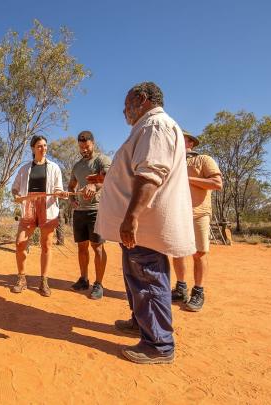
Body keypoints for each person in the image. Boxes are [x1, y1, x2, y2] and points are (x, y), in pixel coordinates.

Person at [94, 82, 195, 364]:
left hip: (144, 227)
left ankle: (159, 345)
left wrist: (131, 217)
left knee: (148, 279)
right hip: (139, 229)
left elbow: (150, 174)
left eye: (127, 103)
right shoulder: (147, 127)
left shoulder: (155, 126)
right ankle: (141, 322)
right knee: (137, 278)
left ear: (141, 99)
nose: (124, 110)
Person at [11, 135, 69, 297]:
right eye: (39, 146)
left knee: (46, 245)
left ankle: (44, 281)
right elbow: (14, 188)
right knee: (20, 243)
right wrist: (16, 195)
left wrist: (61, 193)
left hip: (48, 207)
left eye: (45, 145)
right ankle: (21, 278)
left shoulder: (54, 167)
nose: (43, 148)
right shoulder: (24, 169)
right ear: (32, 149)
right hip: (28, 205)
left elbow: (58, 189)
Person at [171, 130, 222, 311]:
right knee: (177, 252)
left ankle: (198, 291)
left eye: (180, 138)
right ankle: (180, 288)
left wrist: (187, 178)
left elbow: (217, 184)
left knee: (199, 253)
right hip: (176, 214)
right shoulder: (172, 163)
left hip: (198, 213)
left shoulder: (203, 160)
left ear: (190, 143)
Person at [68, 130, 112, 299]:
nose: (84, 150)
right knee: (82, 247)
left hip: (97, 210)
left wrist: (94, 186)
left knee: (97, 247)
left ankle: (99, 284)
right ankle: (84, 279)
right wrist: (72, 199)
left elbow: (108, 177)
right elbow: (71, 186)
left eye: (86, 146)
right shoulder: (77, 166)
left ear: (93, 143)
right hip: (80, 212)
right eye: (81, 147)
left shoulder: (101, 160)